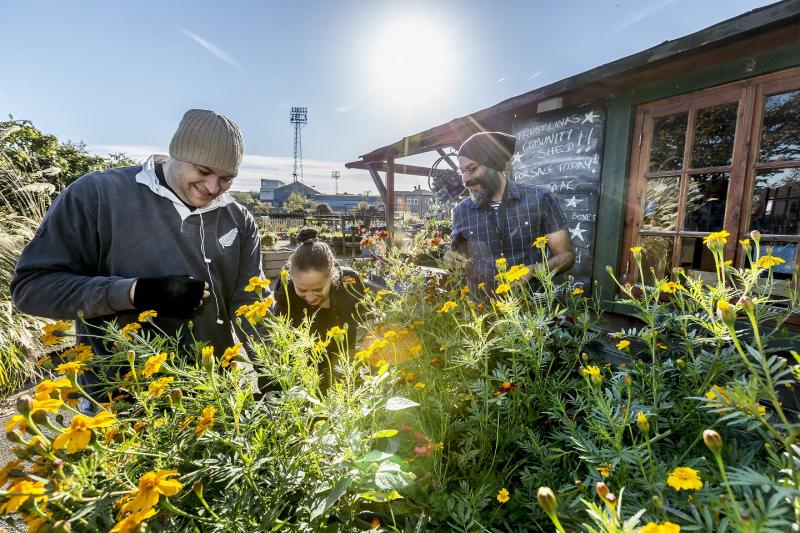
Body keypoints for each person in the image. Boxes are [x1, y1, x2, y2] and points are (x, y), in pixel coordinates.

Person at [11, 109, 265, 395]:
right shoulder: (96, 196)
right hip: (122, 406)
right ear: (176, 152)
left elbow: (251, 303)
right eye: (203, 171)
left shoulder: (238, 219)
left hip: (214, 398)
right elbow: (31, 289)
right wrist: (135, 292)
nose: (212, 187)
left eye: (226, 179)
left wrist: (276, 374)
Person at [445, 131, 575, 292]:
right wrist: (450, 259)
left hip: (530, 311)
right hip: (482, 311)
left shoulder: (541, 199)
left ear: (494, 165)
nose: (464, 179)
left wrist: (534, 271)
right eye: (462, 171)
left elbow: (566, 256)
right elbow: (457, 256)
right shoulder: (461, 211)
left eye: (471, 169)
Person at [272, 227, 365, 385]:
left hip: (344, 365)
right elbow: (282, 340)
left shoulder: (349, 285)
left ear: (332, 278)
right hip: (304, 370)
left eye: (317, 289)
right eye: (301, 290)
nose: (310, 296)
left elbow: (365, 326)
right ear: (292, 280)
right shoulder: (285, 292)